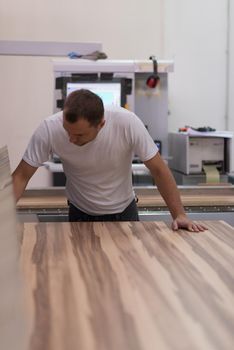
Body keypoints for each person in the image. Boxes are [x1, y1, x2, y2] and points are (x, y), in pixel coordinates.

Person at [12, 89, 206, 231]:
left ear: (101, 124)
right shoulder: (49, 128)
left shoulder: (127, 123)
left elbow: (159, 170)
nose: (71, 139)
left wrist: (179, 215)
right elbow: (21, 176)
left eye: (79, 135)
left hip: (124, 213)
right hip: (80, 213)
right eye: (67, 131)